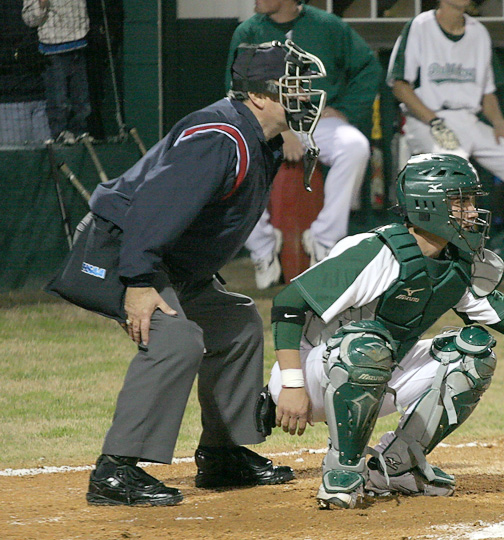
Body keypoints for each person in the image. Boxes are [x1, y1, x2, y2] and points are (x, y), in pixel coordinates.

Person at [260, 153, 504, 510]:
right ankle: (343, 471)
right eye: (461, 202)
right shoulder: (377, 252)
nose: (472, 212)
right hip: (312, 375)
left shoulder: (457, 263)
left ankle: (398, 464)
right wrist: (292, 384)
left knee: (475, 351)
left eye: (471, 201)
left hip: (374, 369)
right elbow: (289, 304)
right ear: (428, 204)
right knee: (367, 344)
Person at [53, 41, 325, 506]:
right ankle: (115, 471)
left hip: (162, 260)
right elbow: (152, 211)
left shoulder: (259, 135)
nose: (303, 98)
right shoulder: (220, 138)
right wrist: (138, 282)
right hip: (123, 250)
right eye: (291, 88)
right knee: (176, 340)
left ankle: (222, 455)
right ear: (258, 96)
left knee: (236, 323)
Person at [386, 0, 504, 291]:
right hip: (426, 119)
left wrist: (501, 126)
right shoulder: (420, 26)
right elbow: (400, 84)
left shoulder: (478, 33)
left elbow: (487, 92)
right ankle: (455, 268)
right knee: (457, 174)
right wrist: (435, 122)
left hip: (469, 119)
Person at [226, 0, 383, 289]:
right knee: (233, 161)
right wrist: (282, 131)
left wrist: (345, 109)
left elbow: (368, 67)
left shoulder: (327, 26)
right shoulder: (248, 31)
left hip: (316, 119)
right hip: (264, 123)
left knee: (355, 146)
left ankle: (325, 239)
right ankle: (261, 247)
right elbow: (236, 88)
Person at [22, 0, 92, 144]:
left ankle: (80, 132)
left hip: (79, 44)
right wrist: (41, 5)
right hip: (53, 49)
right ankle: (59, 134)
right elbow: (29, 19)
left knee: (81, 99)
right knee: (58, 100)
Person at [0, 0, 50, 145]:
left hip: (44, 100)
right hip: (10, 102)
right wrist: (16, 54)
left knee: (49, 165)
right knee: (16, 163)